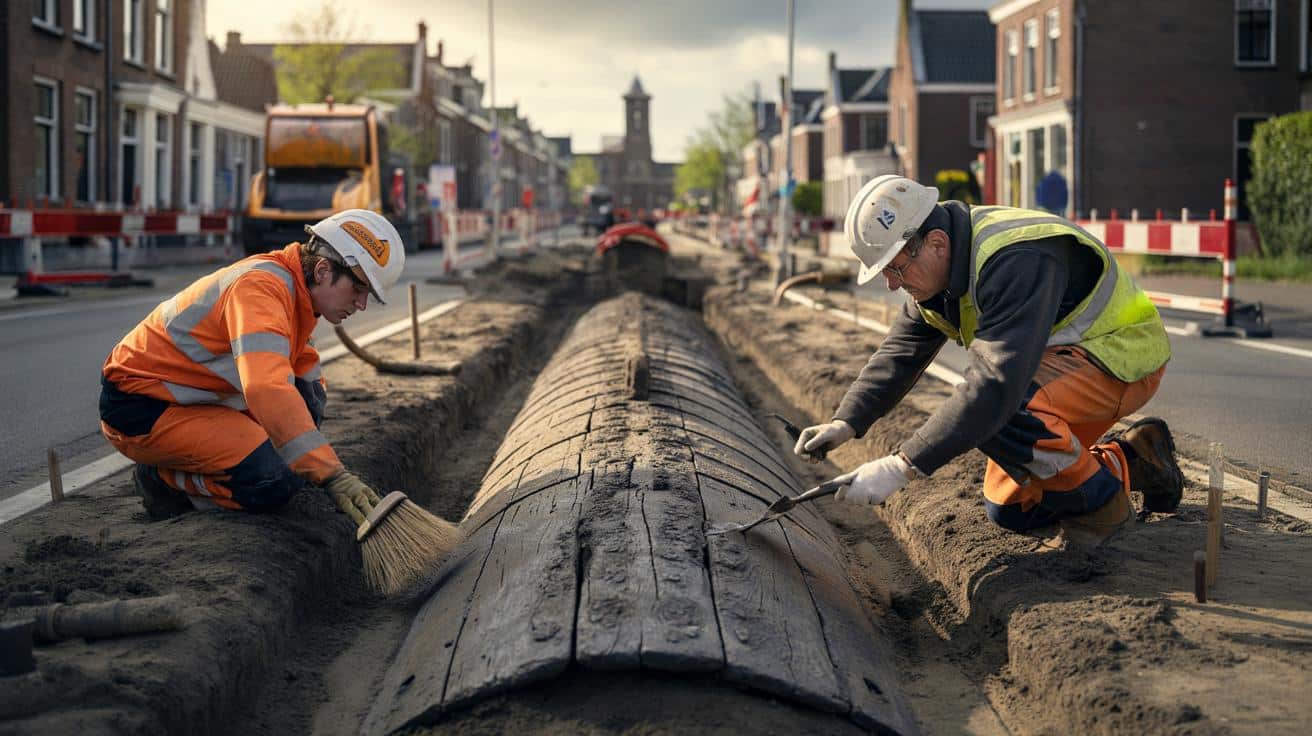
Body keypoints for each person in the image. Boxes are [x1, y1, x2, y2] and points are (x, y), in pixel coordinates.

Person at [795, 175, 1184, 545]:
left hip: (1120, 358)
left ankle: (1103, 510)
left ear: (937, 243)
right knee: (1012, 506)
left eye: (895, 268)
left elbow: (995, 386)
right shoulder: (937, 273)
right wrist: (846, 422)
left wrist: (902, 466)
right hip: (1059, 370)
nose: (892, 283)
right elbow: (902, 351)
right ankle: (1138, 459)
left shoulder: (1016, 258)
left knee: (1002, 413)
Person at [99, 209, 405, 525]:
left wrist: (311, 448)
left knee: (305, 413)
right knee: (272, 478)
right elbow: (266, 387)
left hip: (189, 398)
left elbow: (303, 379)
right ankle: (163, 482)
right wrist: (333, 475)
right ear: (323, 270)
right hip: (140, 406)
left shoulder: (295, 293)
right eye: (358, 290)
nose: (361, 304)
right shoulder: (260, 289)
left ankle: (202, 464)